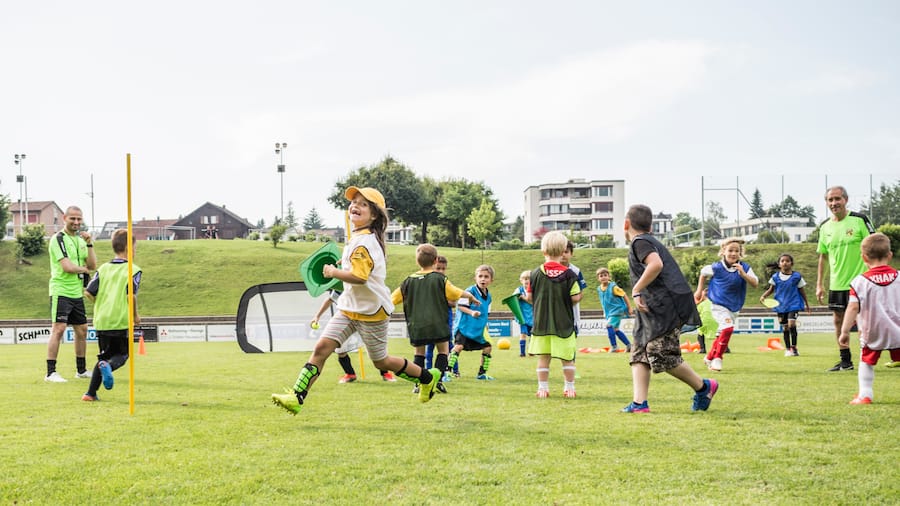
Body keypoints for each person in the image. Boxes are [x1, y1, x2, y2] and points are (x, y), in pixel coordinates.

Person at [271, 186, 440, 415]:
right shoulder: (359, 238)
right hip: (349, 308)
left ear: (374, 215)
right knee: (321, 348)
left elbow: (360, 277)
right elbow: (358, 268)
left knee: (381, 363)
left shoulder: (364, 242)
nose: (355, 206)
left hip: (372, 313)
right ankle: (296, 397)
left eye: (363, 204)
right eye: (354, 202)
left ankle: (427, 378)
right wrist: (343, 265)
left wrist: (332, 272)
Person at [623, 204, 718, 413]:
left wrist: (637, 289)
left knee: (661, 352)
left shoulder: (640, 242)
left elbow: (655, 265)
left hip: (663, 306)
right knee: (639, 351)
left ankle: (704, 387)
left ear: (626, 224)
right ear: (651, 226)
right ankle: (639, 404)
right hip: (650, 306)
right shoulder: (649, 240)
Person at [391, 244, 479, 395]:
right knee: (443, 351)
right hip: (438, 322)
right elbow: (455, 293)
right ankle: (437, 382)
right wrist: (470, 296)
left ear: (417, 261)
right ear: (436, 260)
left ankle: (418, 383)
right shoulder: (440, 279)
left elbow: (392, 299)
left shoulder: (407, 281)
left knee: (419, 353)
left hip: (417, 325)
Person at [816, 185, 875, 372]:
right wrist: (819, 284)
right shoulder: (825, 227)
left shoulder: (859, 220)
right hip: (837, 284)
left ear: (845, 200)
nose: (834, 203)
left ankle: (869, 359)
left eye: (837, 199)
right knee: (838, 321)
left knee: (865, 322)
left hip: (861, 282)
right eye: (830, 200)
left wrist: (873, 273)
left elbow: (874, 245)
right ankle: (845, 361)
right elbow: (823, 256)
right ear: (826, 203)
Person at [839, 233, 900, 404]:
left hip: (873, 332)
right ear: (889, 255)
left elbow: (852, 307)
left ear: (864, 257)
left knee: (866, 362)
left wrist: (844, 331)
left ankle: (865, 394)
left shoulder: (859, 282)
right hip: (898, 330)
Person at [81, 229, 141, 401]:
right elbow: (131, 295)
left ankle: (90, 393)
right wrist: (135, 316)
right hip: (120, 320)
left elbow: (89, 293)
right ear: (129, 248)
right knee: (122, 355)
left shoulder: (103, 268)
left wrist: (104, 303)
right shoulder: (133, 269)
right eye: (135, 247)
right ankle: (106, 366)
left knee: (104, 357)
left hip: (102, 320)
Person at [526, 231, 583, 398]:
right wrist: (578, 296)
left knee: (544, 358)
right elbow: (575, 298)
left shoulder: (535, 274)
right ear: (563, 250)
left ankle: (543, 388)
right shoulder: (570, 275)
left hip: (541, 323)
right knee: (567, 359)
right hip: (563, 323)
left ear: (543, 251)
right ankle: (569, 388)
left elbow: (529, 297)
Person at [45, 205, 97, 382]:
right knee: (58, 329)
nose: (76, 222)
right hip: (61, 291)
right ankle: (50, 372)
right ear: (64, 218)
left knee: (82, 330)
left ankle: (81, 370)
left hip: (76, 293)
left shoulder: (81, 241)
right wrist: (83, 270)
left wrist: (89, 243)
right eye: (72, 218)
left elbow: (92, 265)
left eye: (79, 219)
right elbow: (67, 267)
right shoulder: (57, 239)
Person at [695, 238, 759, 372]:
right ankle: (717, 359)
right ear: (723, 251)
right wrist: (699, 290)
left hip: (734, 306)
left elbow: (755, 283)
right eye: (730, 250)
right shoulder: (716, 267)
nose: (733, 253)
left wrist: (743, 274)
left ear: (740, 253)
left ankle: (709, 357)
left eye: (737, 251)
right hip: (717, 304)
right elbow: (703, 273)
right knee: (728, 328)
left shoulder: (745, 267)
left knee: (721, 335)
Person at [312, 289, 396, 383]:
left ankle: (385, 374)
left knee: (377, 349)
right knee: (340, 350)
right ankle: (350, 374)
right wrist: (317, 316)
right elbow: (330, 299)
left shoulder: (366, 285)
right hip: (347, 319)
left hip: (366, 319)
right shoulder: (341, 287)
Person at [447, 265, 495, 380]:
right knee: (458, 347)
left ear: (491, 280)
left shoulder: (489, 297)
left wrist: (485, 326)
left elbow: (486, 314)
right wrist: (472, 312)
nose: (483, 279)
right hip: (464, 326)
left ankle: (481, 373)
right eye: (480, 276)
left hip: (477, 330)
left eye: (486, 277)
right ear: (475, 278)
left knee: (488, 347)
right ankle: (447, 372)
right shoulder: (469, 291)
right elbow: (461, 307)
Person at [759, 253, 810, 357]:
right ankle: (787, 349)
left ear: (791, 263)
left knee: (792, 324)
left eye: (787, 261)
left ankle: (794, 348)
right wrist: (763, 296)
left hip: (794, 304)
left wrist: (807, 303)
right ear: (779, 264)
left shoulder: (797, 276)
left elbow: (802, 290)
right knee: (785, 328)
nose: (785, 263)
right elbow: (771, 289)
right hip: (781, 305)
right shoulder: (775, 277)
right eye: (782, 261)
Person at [425, 255, 460, 377]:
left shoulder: (447, 284)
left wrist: (440, 299)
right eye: (438, 268)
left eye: (443, 269)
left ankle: (453, 370)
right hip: (430, 321)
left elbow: (453, 303)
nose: (441, 271)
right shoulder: (427, 283)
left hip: (445, 321)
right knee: (429, 348)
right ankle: (428, 370)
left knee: (449, 346)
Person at [596, 267, 632, 353]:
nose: (603, 277)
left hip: (617, 310)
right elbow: (603, 302)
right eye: (601, 276)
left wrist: (629, 308)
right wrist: (604, 311)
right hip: (609, 312)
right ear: (598, 278)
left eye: (605, 275)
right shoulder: (599, 289)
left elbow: (624, 295)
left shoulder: (613, 287)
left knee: (609, 326)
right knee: (615, 330)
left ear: (609, 277)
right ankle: (629, 345)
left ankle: (614, 347)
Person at [514, 270, 534, 357]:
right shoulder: (519, 290)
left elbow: (534, 302)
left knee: (533, 335)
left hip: (533, 316)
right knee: (523, 334)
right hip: (523, 317)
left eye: (528, 279)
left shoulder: (534, 290)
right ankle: (522, 352)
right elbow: (513, 300)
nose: (526, 281)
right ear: (521, 280)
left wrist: (524, 298)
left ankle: (531, 350)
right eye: (524, 279)